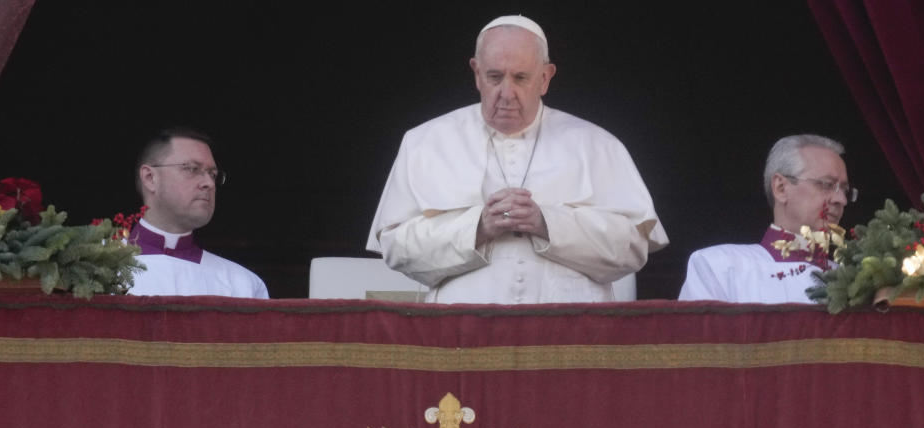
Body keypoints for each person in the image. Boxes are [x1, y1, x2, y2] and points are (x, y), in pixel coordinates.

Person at [366, 15, 667, 304]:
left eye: (521, 78)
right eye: (494, 77)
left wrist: (548, 223)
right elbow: (395, 247)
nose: (506, 93)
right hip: (462, 335)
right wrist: (477, 228)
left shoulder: (597, 145)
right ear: (476, 73)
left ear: (545, 77)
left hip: (569, 337)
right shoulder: (425, 142)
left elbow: (632, 248)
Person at [679, 134, 855, 304]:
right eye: (826, 185)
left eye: (845, 190)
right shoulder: (718, 267)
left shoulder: (856, 282)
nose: (841, 200)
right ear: (780, 188)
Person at [127, 127, 269, 298]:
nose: (209, 183)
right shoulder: (93, 270)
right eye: (192, 169)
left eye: (213, 174)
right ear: (150, 178)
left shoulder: (241, 284)